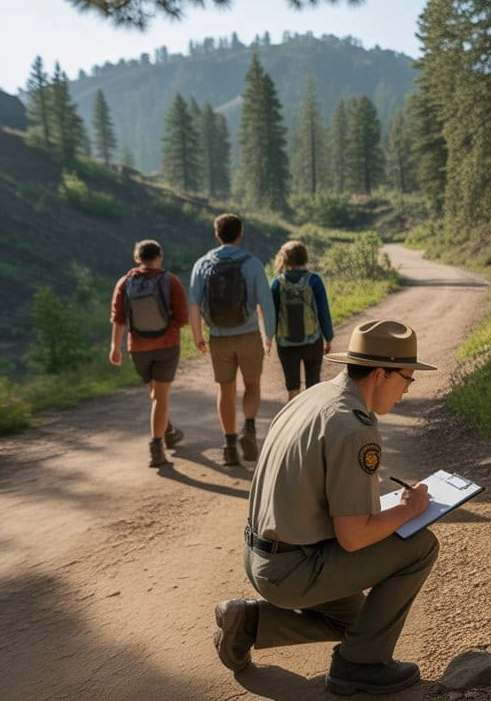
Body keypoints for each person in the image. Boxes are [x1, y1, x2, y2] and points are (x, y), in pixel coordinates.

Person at [213, 320, 439, 696]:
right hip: (293, 568)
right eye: (407, 378)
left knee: (364, 624)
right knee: (421, 546)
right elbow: (353, 538)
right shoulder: (354, 427)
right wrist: (410, 509)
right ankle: (359, 667)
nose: (406, 391)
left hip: (263, 558)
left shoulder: (316, 396)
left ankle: (250, 622)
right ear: (380, 374)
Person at [188, 213, 276, 466]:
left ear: (217, 234)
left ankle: (229, 446)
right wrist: (269, 335)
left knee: (225, 390)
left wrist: (198, 336)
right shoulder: (252, 264)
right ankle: (249, 427)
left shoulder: (203, 264)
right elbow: (266, 303)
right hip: (248, 334)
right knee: (252, 385)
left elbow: (194, 304)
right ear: (240, 233)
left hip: (219, 337)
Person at [108, 239, 189, 467]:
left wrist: (115, 347)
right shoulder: (171, 281)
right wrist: (168, 330)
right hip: (166, 346)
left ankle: (168, 430)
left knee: (155, 394)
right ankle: (156, 447)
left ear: (137, 258)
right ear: (160, 257)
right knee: (160, 397)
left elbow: (118, 318)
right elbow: (182, 317)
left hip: (138, 348)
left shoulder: (125, 283)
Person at [268, 240, 335, 402]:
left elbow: (272, 315)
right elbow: (323, 312)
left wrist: (269, 338)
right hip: (312, 341)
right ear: (305, 257)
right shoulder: (314, 280)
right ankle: (312, 416)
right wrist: (328, 338)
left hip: (286, 343)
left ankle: (294, 416)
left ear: (284, 259)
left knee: (292, 386)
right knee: (313, 384)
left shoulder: (277, 283)